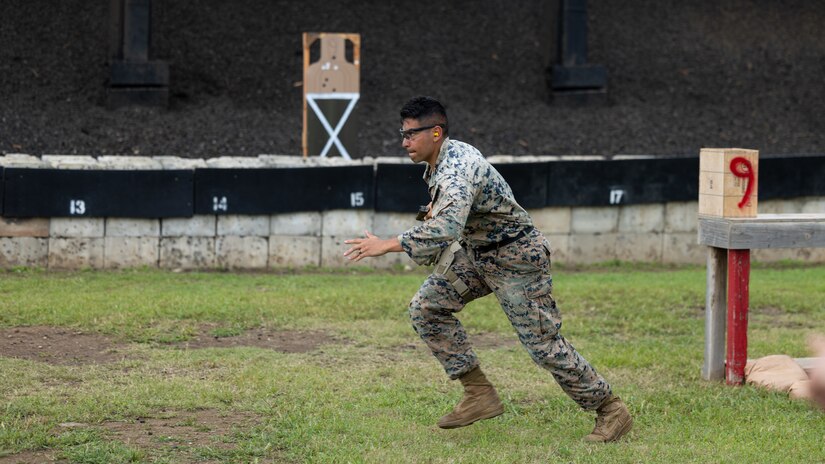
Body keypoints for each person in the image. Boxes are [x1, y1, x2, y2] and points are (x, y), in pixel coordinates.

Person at [343, 96, 632, 442]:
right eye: (401, 134)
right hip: (478, 254)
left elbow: (447, 227)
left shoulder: (457, 168)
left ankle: (611, 410)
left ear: (436, 132)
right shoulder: (437, 164)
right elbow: (443, 224)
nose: (404, 142)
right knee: (426, 308)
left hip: (516, 258)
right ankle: (479, 394)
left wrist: (388, 244)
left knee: (542, 345)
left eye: (410, 134)